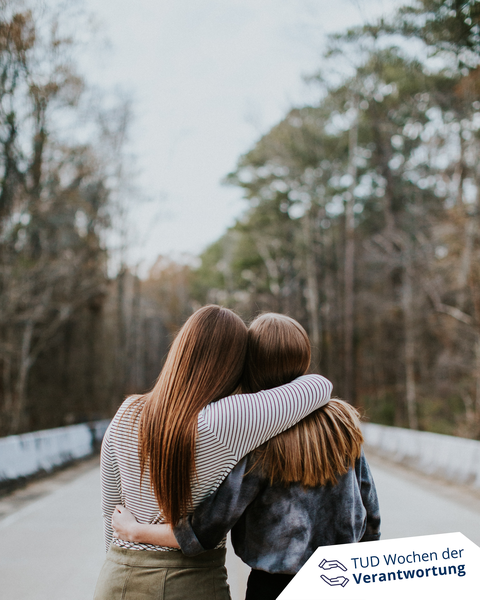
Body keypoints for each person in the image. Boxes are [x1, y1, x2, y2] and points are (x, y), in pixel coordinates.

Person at [111, 313, 380, 600]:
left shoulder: (259, 434)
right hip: (343, 579)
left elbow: (204, 531)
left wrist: (135, 531)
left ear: (249, 364)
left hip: (274, 587)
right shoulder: (342, 422)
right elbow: (370, 511)